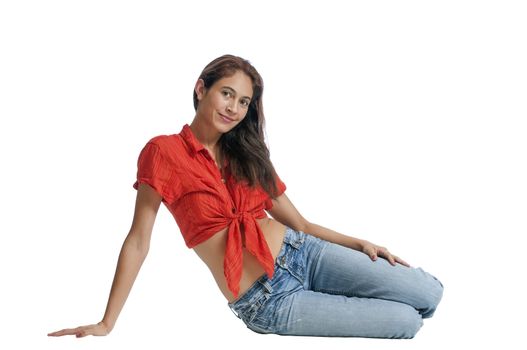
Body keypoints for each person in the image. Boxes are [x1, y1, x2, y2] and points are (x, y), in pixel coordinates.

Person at [48, 54, 443, 339]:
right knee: (406, 322)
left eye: (243, 102)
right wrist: (107, 322)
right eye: (226, 94)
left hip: (303, 252)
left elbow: (300, 224)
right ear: (201, 89)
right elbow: (138, 240)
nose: (234, 108)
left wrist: (360, 242)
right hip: (267, 301)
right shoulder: (162, 152)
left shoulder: (247, 153)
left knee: (430, 293)